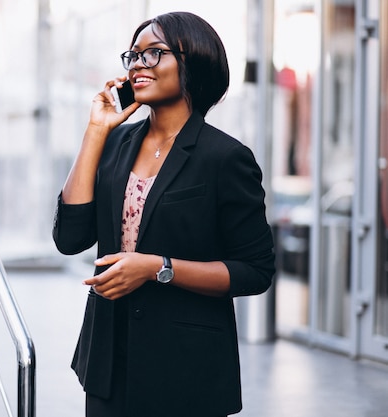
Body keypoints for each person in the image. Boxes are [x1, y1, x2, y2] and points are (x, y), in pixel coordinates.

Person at [52, 11, 275, 417]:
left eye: (154, 53)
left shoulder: (226, 158)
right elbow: (69, 238)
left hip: (184, 366)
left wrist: (157, 267)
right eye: (133, 55)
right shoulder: (116, 141)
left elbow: (255, 271)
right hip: (108, 358)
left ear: (193, 61)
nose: (138, 64)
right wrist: (95, 131)